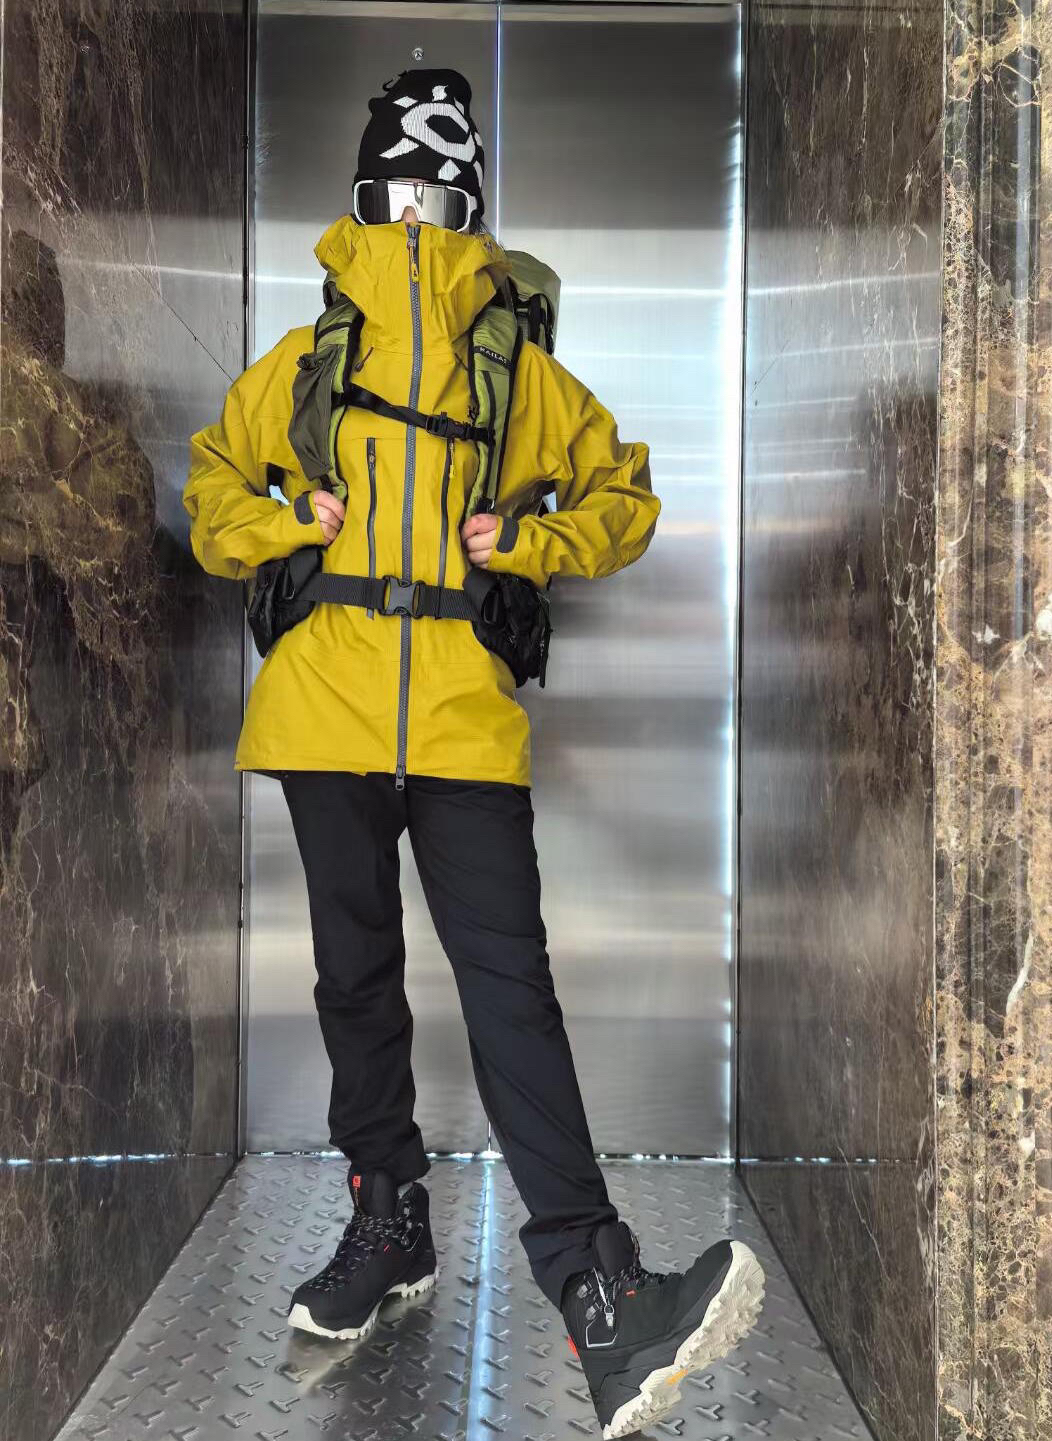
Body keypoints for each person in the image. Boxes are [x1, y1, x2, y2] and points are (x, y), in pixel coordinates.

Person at [182, 66, 763, 1440]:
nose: (414, 217)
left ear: (473, 206)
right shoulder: (308, 363)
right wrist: (293, 523)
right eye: (393, 190)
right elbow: (210, 493)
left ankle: (599, 1287)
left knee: (512, 993)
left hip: (460, 716)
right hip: (322, 709)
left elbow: (626, 500)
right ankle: (388, 1225)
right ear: (360, 195)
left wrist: (531, 541)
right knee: (353, 980)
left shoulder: (522, 376)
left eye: (439, 196)